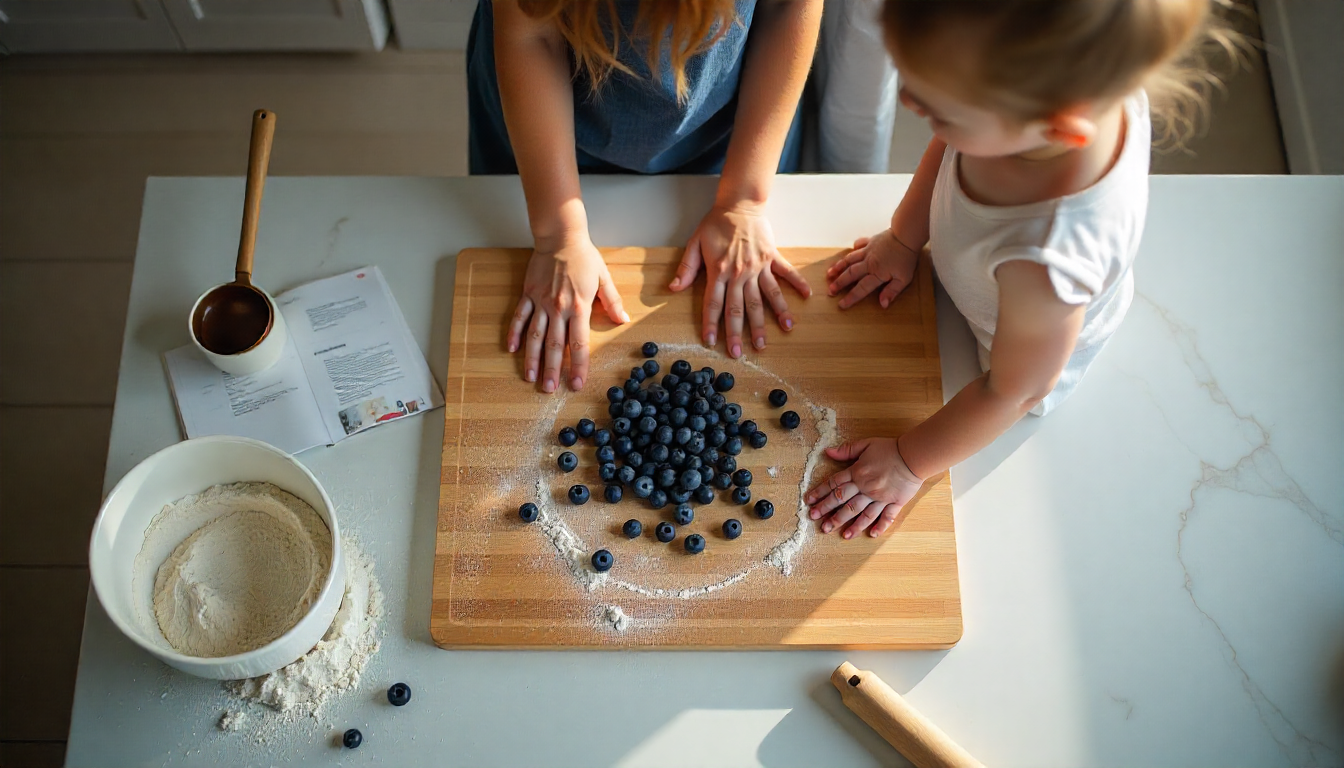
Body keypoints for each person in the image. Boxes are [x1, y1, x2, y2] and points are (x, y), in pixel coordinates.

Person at [807, 0, 1239, 538]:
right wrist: (902, 237)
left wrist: (907, 460)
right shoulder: (1029, 97)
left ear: (1061, 127)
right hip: (981, 281)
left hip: (1005, 358)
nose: (908, 101)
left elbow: (1016, 392)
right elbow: (950, 147)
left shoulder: (1050, 259)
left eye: (940, 108)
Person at [468, 0, 822, 394]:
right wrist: (558, 235)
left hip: (728, 132)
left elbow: (788, 9)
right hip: (546, 131)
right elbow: (532, 35)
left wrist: (744, 200)